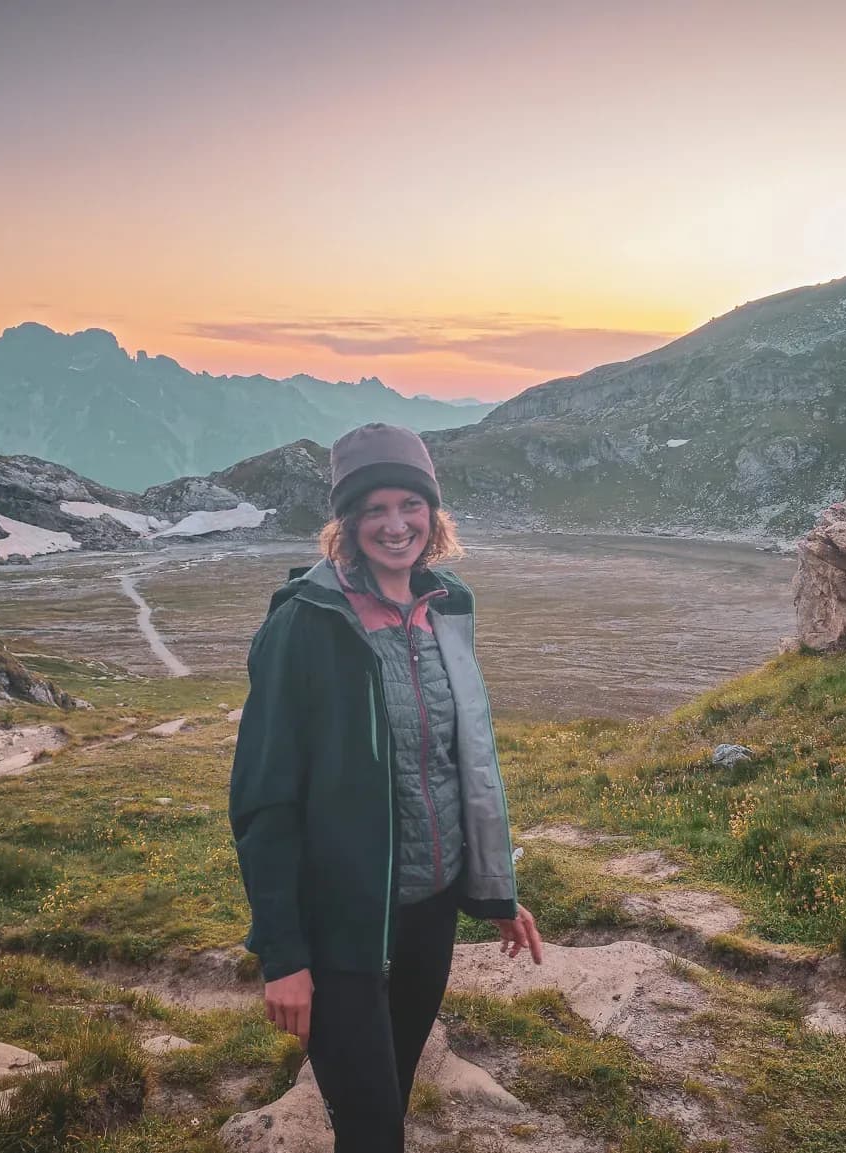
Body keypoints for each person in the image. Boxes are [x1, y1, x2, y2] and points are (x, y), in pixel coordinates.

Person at [230, 421, 544, 1152]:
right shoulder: (306, 624)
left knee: (387, 1104)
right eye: (373, 508)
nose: (395, 523)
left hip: (428, 914)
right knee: (373, 1129)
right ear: (346, 522)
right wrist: (284, 957)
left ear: (433, 515)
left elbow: (452, 766)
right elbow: (263, 800)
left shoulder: (447, 611)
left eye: (410, 503)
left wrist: (492, 892)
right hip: (340, 928)